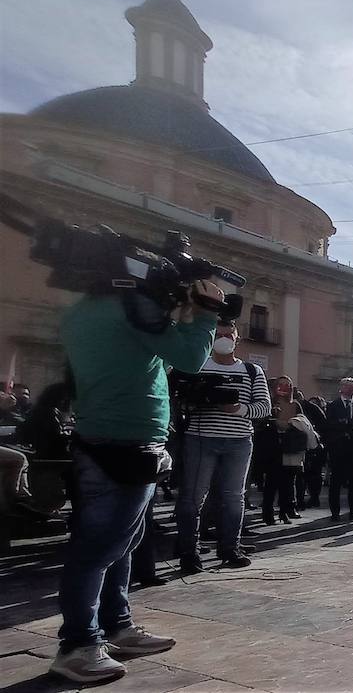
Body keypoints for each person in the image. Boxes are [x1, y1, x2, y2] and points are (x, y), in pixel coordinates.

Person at [50, 279, 222, 683]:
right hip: (125, 438)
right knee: (98, 546)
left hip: (108, 435)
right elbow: (191, 357)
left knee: (121, 542)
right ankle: (77, 644)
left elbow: (141, 362)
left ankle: (116, 625)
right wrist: (207, 313)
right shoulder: (132, 309)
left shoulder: (84, 309)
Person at [175, 320, 269, 573]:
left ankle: (230, 548)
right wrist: (197, 398)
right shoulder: (197, 366)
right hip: (200, 437)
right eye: (219, 334)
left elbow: (264, 407)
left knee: (234, 497)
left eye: (229, 334)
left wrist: (238, 408)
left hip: (239, 441)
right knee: (193, 497)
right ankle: (189, 553)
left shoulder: (252, 371)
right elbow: (180, 400)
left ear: (237, 339)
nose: (225, 338)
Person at [258, 377, 316, 525]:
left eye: (287, 385)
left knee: (288, 483)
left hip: (291, 447)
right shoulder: (269, 402)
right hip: (273, 448)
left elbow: (302, 423)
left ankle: (285, 512)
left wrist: (288, 424)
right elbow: (263, 422)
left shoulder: (295, 404)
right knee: (271, 484)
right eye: (280, 385)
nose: (283, 388)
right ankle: (268, 515)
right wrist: (275, 421)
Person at [323, 378, 353, 521]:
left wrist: (346, 423)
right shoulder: (332, 405)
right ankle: (335, 512)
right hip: (338, 447)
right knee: (336, 480)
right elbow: (331, 424)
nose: (350, 389)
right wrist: (350, 425)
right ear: (341, 388)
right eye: (347, 386)